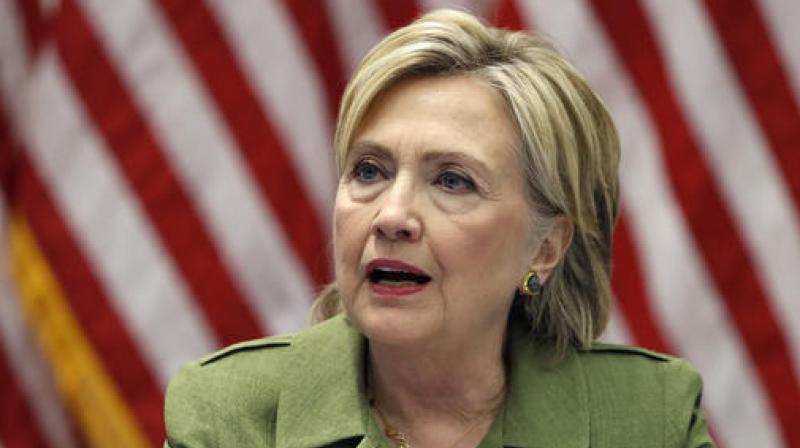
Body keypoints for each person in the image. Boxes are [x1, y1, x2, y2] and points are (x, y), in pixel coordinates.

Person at [163, 9, 715, 448]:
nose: (392, 216)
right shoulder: (228, 416)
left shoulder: (651, 417)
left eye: (452, 181)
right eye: (369, 171)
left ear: (545, 248)